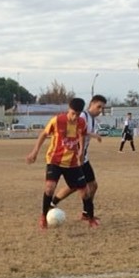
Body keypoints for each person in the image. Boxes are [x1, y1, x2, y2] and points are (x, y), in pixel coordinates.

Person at [26, 98, 88, 229]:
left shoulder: (81, 122)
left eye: (77, 114)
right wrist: (35, 152)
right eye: (72, 113)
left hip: (71, 162)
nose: (74, 117)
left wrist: (81, 149)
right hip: (54, 159)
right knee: (49, 187)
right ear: (68, 110)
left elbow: (82, 134)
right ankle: (43, 216)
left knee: (78, 187)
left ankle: (86, 213)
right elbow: (44, 134)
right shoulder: (57, 120)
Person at [52, 95, 107, 227]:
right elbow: (76, 130)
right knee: (75, 186)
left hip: (84, 158)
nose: (100, 110)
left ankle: (86, 213)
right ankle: (52, 203)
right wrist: (92, 135)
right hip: (75, 158)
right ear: (91, 104)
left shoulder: (92, 119)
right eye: (98, 106)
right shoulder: (82, 115)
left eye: (103, 108)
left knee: (92, 185)